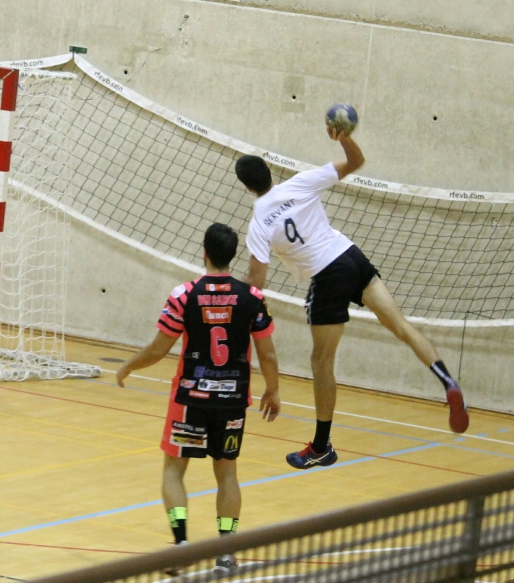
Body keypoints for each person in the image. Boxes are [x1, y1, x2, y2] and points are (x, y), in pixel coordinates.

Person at [234, 125, 469, 471]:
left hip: (328, 276)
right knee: (401, 326)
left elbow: (256, 282)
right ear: (270, 172)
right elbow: (356, 161)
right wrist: (342, 137)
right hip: (351, 257)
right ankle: (448, 380)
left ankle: (321, 446)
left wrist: (234, 304)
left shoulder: (259, 223)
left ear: (248, 187)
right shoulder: (300, 182)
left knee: (321, 362)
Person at [116, 223, 280, 575]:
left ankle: (181, 544)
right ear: (232, 255)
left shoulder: (183, 295)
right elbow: (267, 354)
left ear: (204, 251)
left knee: (174, 472)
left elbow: (160, 348)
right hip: (233, 400)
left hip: (190, 398)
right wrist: (273, 389)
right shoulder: (252, 297)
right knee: (228, 474)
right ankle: (226, 549)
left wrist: (128, 366)